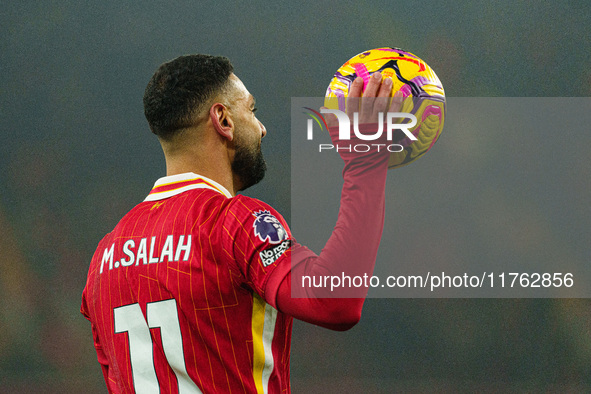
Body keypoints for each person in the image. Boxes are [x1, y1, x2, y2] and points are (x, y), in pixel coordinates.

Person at [81, 54, 401, 393]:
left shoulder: (102, 259)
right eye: (251, 110)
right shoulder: (233, 222)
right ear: (223, 119)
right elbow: (336, 300)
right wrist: (366, 160)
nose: (262, 128)